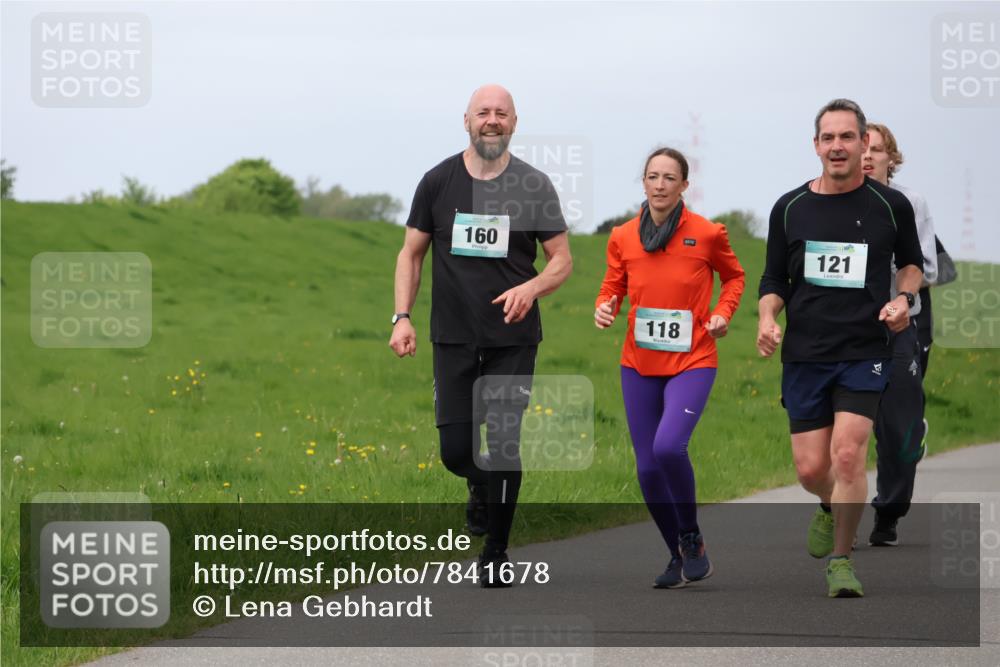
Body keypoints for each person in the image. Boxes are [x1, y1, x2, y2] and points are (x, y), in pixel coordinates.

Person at [389, 84, 573, 587]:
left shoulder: (533, 186)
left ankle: (495, 550)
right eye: (483, 113)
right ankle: (477, 484)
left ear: (515, 123)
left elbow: (561, 261)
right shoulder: (438, 182)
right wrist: (401, 316)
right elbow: (411, 254)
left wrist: (531, 288)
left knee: (505, 443)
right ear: (466, 120)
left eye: (502, 114)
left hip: (512, 339)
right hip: (452, 337)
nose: (492, 121)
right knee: (456, 451)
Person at [757, 99, 923, 598]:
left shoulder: (890, 206)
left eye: (847, 137)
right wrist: (767, 317)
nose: (837, 146)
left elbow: (912, 264)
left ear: (863, 142)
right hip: (807, 353)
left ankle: (841, 561)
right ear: (815, 145)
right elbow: (773, 278)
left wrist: (903, 298)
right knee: (812, 469)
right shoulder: (789, 208)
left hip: (865, 349)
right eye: (828, 138)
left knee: (848, 454)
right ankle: (829, 504)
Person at [594, 147, 744, 588]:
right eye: (652, 176)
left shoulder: (708, 233)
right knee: (645, 468)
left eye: (669, 177)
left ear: (683, 185)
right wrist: (605, 306)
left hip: (692, 360)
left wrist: (723, 314)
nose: (659, 185)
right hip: (638, 364)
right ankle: (675, 553)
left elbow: (734, 277)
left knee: (668, 449)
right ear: (643, 182)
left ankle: (692, 535)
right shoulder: (622, 236)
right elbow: (613, 284)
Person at [862, 122, 939, 546]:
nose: (869, 156)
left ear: (892, 157)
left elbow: (928, 268)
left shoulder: (911, 202)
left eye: (878, 149)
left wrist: (901, 294)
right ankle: (837, 509)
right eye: (864, 148)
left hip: (900, 326)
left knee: (896, 428)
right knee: (848, 424)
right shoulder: (833, 200)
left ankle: (888, 512)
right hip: (847, 330)